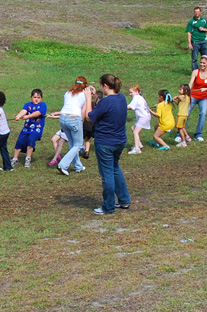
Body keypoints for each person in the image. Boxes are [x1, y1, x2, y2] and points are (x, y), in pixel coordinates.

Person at [87, 73, 130, 215]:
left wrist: (88, 99)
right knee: (115, 169)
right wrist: (95, 97)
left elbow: (89, 116)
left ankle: (108, 206)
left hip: (105, 142)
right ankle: (124, 200)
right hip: (119, 141)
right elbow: (105, 109)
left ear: (105, 86)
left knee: (107, 174)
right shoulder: (122, 98)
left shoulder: (106, 102)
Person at [50, 77, 90, 175]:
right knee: (78, 145)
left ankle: (78, 166)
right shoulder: (84, 95)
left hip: (63, 118)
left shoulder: (67, 93)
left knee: (72, 144)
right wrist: (81, 123)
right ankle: (63, 165)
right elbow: (83, 111)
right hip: (74, 118)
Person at [11, 89, 46, 167]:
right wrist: (18, 116)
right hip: (26, 128)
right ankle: (15, 159)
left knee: (31, 140)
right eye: (34, 97)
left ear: (41, 98)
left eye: (38, 97)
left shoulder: (43, 105)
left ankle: (28, 159)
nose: (36, 99)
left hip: (37, 128)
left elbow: (38, 113)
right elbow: (24, 111)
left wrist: (28, 116)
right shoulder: (27, 105)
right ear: (31, 97)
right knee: (19, 142)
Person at [188, 55, 207, 142]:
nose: (202, 64)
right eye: (201, 62)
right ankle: (181, 133)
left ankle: (198, 134)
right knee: (186, 112)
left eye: (204, 63)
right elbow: (191, 83)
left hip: (204, 97)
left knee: (203, 113)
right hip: (193, 96)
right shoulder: (195, 72)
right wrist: (187, 92)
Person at [186, 7, 207, 72]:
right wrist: (189, 43)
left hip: (203, 41)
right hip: (195, 42)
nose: (196, 13)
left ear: (200, 12)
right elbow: (189, 32)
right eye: (195, 12)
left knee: (206, 57)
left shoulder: (204, 20)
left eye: (197, 12)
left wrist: (203, 29)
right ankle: (195, 71)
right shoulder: (191, 22)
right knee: (194, 58)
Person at [127, 84, 150, 153]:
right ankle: (138, 144)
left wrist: (120, 106)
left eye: (131, 92)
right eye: (129, 92)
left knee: (136, 132)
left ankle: (137, 149)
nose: (130, 94)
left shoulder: (136, 97)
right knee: (133, 128)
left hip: (143, 117)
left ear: (137, 91)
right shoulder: (140, 97)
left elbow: (130, 107)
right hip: (145, 117)